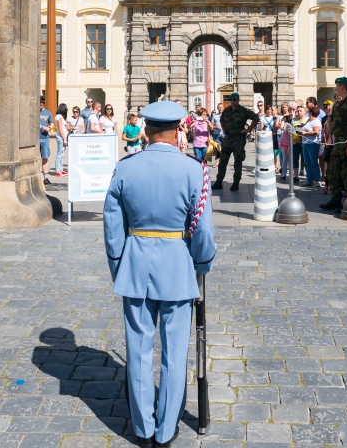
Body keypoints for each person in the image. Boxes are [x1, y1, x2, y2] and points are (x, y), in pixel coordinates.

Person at [103, 100, 216, 448]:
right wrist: (201, 264)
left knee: (137, 350)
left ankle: (143, 429)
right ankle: (166, 430)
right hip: (177, 267)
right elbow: (203, 234)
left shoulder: (125, 168)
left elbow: (112, 226)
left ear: (147, 130)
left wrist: (119, 265)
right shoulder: (194, 170)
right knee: (174, 352)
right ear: (179, 129)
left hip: (135, 263)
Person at [321, 78, 347, 212]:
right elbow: (331, 128)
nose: (335, 88)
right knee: (333, 172)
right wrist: (330, 117)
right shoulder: (340, 104)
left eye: (337, 86)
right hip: (338, 143)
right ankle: (335, 200)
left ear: (342, 87)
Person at [212, 93, 258, 191]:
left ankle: (236, 183)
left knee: (238, 162)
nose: (233, 101)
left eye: (235, 99)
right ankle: (219, 181)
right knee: (222, 162)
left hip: (238, 140)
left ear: (238, 100)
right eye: (231, 99)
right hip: (228, 139)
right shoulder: (227, 110)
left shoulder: (243, 110)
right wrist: (224, 129)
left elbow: (256, 118)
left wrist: (248, 129)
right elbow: (222, 120)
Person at [300, 105, 323, 187]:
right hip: (306, 143)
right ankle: (309, 179)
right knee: (307, 162)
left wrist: (305, 133)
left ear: (311, 113)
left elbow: (316, 132)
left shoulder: (316, 121)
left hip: (313, 143)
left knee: (314, 163)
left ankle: (317, 180)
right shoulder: (308, 121)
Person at [39, 98, 54, 184]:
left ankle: (46, 177)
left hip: (45, 138)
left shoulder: (47, 113)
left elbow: (51, 123)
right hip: (35, 138)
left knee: (45, 157)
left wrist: (49, 128)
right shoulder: (33, 112)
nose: (41, 104)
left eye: (43, 102)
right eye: (40, 102)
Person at [54, 103, 69, 177]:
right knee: (59, 154)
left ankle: (61, 169)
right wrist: (64, 139)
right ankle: (57, 170)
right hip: (61, 137)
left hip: (62, 137)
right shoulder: (59, 117)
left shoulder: (60, 117)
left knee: (62, 154)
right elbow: (60, 128)